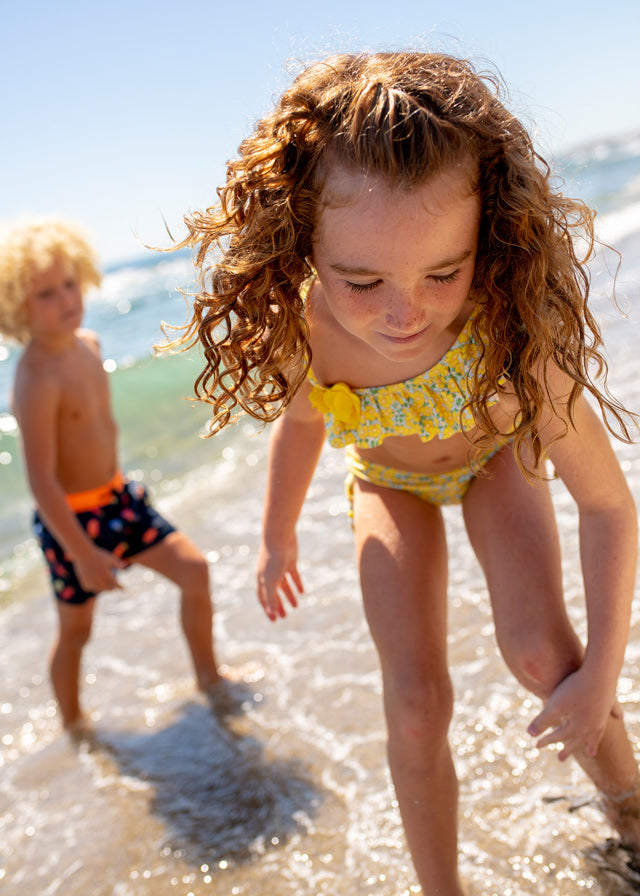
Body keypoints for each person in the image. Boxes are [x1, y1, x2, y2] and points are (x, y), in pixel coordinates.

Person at [164, 52, 640, 894]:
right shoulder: (311, 323)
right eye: (361, 279)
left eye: (442, 273)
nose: (403, 311)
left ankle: (632, 814)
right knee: (415, 708)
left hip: (496, 462)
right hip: (389, 484)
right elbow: (303, 420)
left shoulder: (511, 331)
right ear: (303, 238)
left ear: (487, 235)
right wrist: (276, 536)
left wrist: (602, 670)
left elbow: (608, 506)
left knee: (542, 656)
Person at [0, 218, 226, 735]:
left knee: (195, 572)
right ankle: (75, 726)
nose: (65, 299)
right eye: (45, 294)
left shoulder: (91, 343)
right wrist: (81, 552)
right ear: (16, 307)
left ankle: (210, 679)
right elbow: (40, 481)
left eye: (69, 284)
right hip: (73, 523)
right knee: (76, 631)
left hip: (120, 499)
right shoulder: (34, 379)